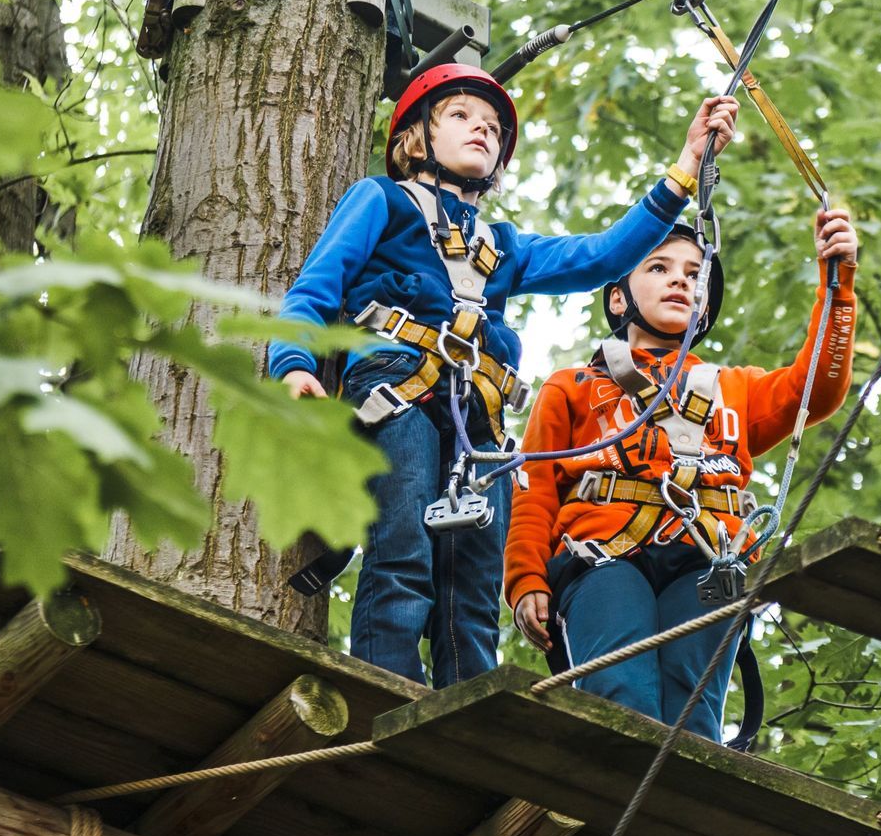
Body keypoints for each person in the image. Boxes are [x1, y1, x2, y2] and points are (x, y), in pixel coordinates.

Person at [268, 63, 738, 687]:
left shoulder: (505, 247)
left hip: (479, 430)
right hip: (396, 392)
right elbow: (315, 289)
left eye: (492, 126)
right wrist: (295, 365)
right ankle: (380, 690)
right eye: (461, 116)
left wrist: (685, 166)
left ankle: (466, 709)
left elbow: (602, 256)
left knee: (472, 580)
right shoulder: (380, 200)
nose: (482, 131)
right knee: (403, 551)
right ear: (415, 137)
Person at [504, 208, 859, 740]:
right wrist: (525, 579)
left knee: (693, 714)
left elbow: (817, 390)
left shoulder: (734, 388)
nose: (679, 279)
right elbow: (533, 491)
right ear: (619, 297)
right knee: (622, 694)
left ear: (705, 303)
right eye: (659, 268)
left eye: (694, 274)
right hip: (602, 556)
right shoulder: (573, 387)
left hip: (709, 558)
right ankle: (619, 806)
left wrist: (838, 284)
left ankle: (676, 813)